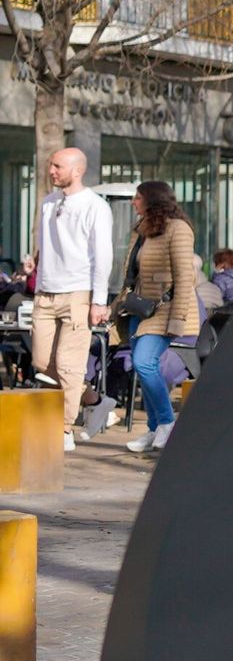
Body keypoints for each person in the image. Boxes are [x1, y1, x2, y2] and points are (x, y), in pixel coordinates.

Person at [32, 147, 113, 451]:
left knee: (69, 365)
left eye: (57, 166)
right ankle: (95, 400)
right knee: (42, 362)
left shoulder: (95, 206)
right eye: (51, 165)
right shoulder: (48, 202)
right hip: (46, 292)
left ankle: (63, 427)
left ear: (77, 170)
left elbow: (102, 255)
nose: (51, 171)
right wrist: (37, 280)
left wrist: (99, 300)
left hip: (79, 292)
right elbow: (42, 244)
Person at [121, 180, 198, 454]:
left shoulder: (178, 229)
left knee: (144, 363)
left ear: (152, 199)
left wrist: (178, 318)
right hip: (139, 308)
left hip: (165, 309)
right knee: (141, 366)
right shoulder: (142, 229)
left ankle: (167, 422)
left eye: (137, 197)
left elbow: (184, 276)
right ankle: (154, 428)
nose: (133, 202)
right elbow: (132, 273)